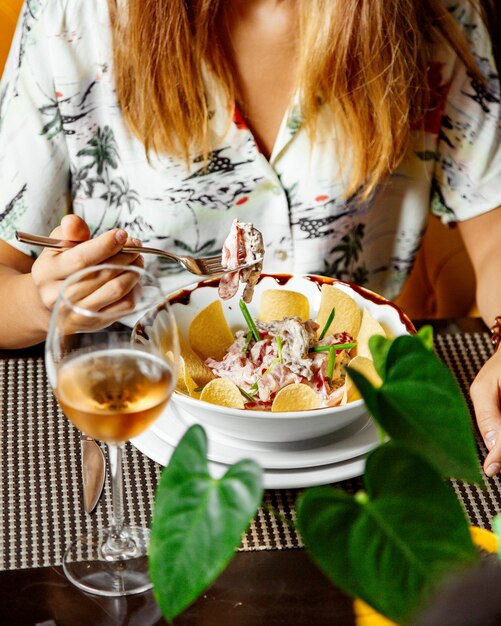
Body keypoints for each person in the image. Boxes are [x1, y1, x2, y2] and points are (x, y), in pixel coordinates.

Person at [0, 0, 500, 474]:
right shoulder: (71, 15)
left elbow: (494, 230)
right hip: (134, 432)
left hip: (359, 437)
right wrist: (38, 303)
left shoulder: (434, 13)